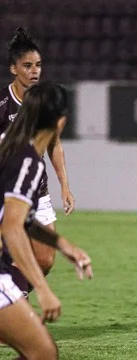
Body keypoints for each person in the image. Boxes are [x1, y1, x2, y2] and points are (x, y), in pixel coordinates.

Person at [0, 81, 93, 360]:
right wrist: (42, 289)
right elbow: (12, 228)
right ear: (60, 122)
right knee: (42, 353)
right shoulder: (26, 160)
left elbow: (21, 219)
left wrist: (66, 247)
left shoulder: (13, 148)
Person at [0, 27, 75, 295]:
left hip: (37, 193)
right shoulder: (2, 105)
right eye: (28, 65)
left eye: (39, 65)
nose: (35, 71)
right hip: (6, 195)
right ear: (13, 68)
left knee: (45, 260)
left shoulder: (44, 103)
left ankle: (13, 299)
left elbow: (54, 144)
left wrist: (64, 185)